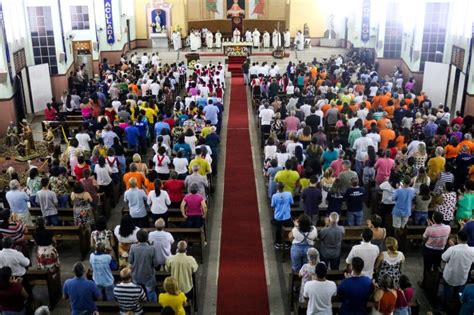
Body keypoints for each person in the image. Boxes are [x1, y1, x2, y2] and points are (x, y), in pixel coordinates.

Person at [441, 230, 474, 304]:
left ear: (458, 238)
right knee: (459, 293)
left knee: (446, 293)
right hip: (462, 277)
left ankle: (445, 305)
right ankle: (456, 304)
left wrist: (453, 247)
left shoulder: (452, 249)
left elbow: (443, 259)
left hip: (450, 276)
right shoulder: (472, 250)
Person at [421, 211, 451, 287]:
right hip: (440, 250)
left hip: (429, 250)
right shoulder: (448, 227)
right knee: (436, 266)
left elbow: (424, 238)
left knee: (427, 267)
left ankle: (425, 283)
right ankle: (435, 282)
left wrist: (430, 227)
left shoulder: (429, 229)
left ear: (433, 219)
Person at [129, 229, 159, 302]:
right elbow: (156, 264)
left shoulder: (133, 247)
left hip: (136, 275)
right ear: (147, 238)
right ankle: (153, 307)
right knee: (151, 292)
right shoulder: (152, 248)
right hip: (148, 275)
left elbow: (130, 261)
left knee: (137, 292)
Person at [271, 182, 293, 249]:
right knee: (288, 229)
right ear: (284, 187)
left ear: (277, 188)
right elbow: (291, 202)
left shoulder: (274, 196)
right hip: (287, 215)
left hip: (278, 216)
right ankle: (288, 243)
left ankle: (278, 243)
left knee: (278, 229)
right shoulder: (289, 194)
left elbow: (273, 205)